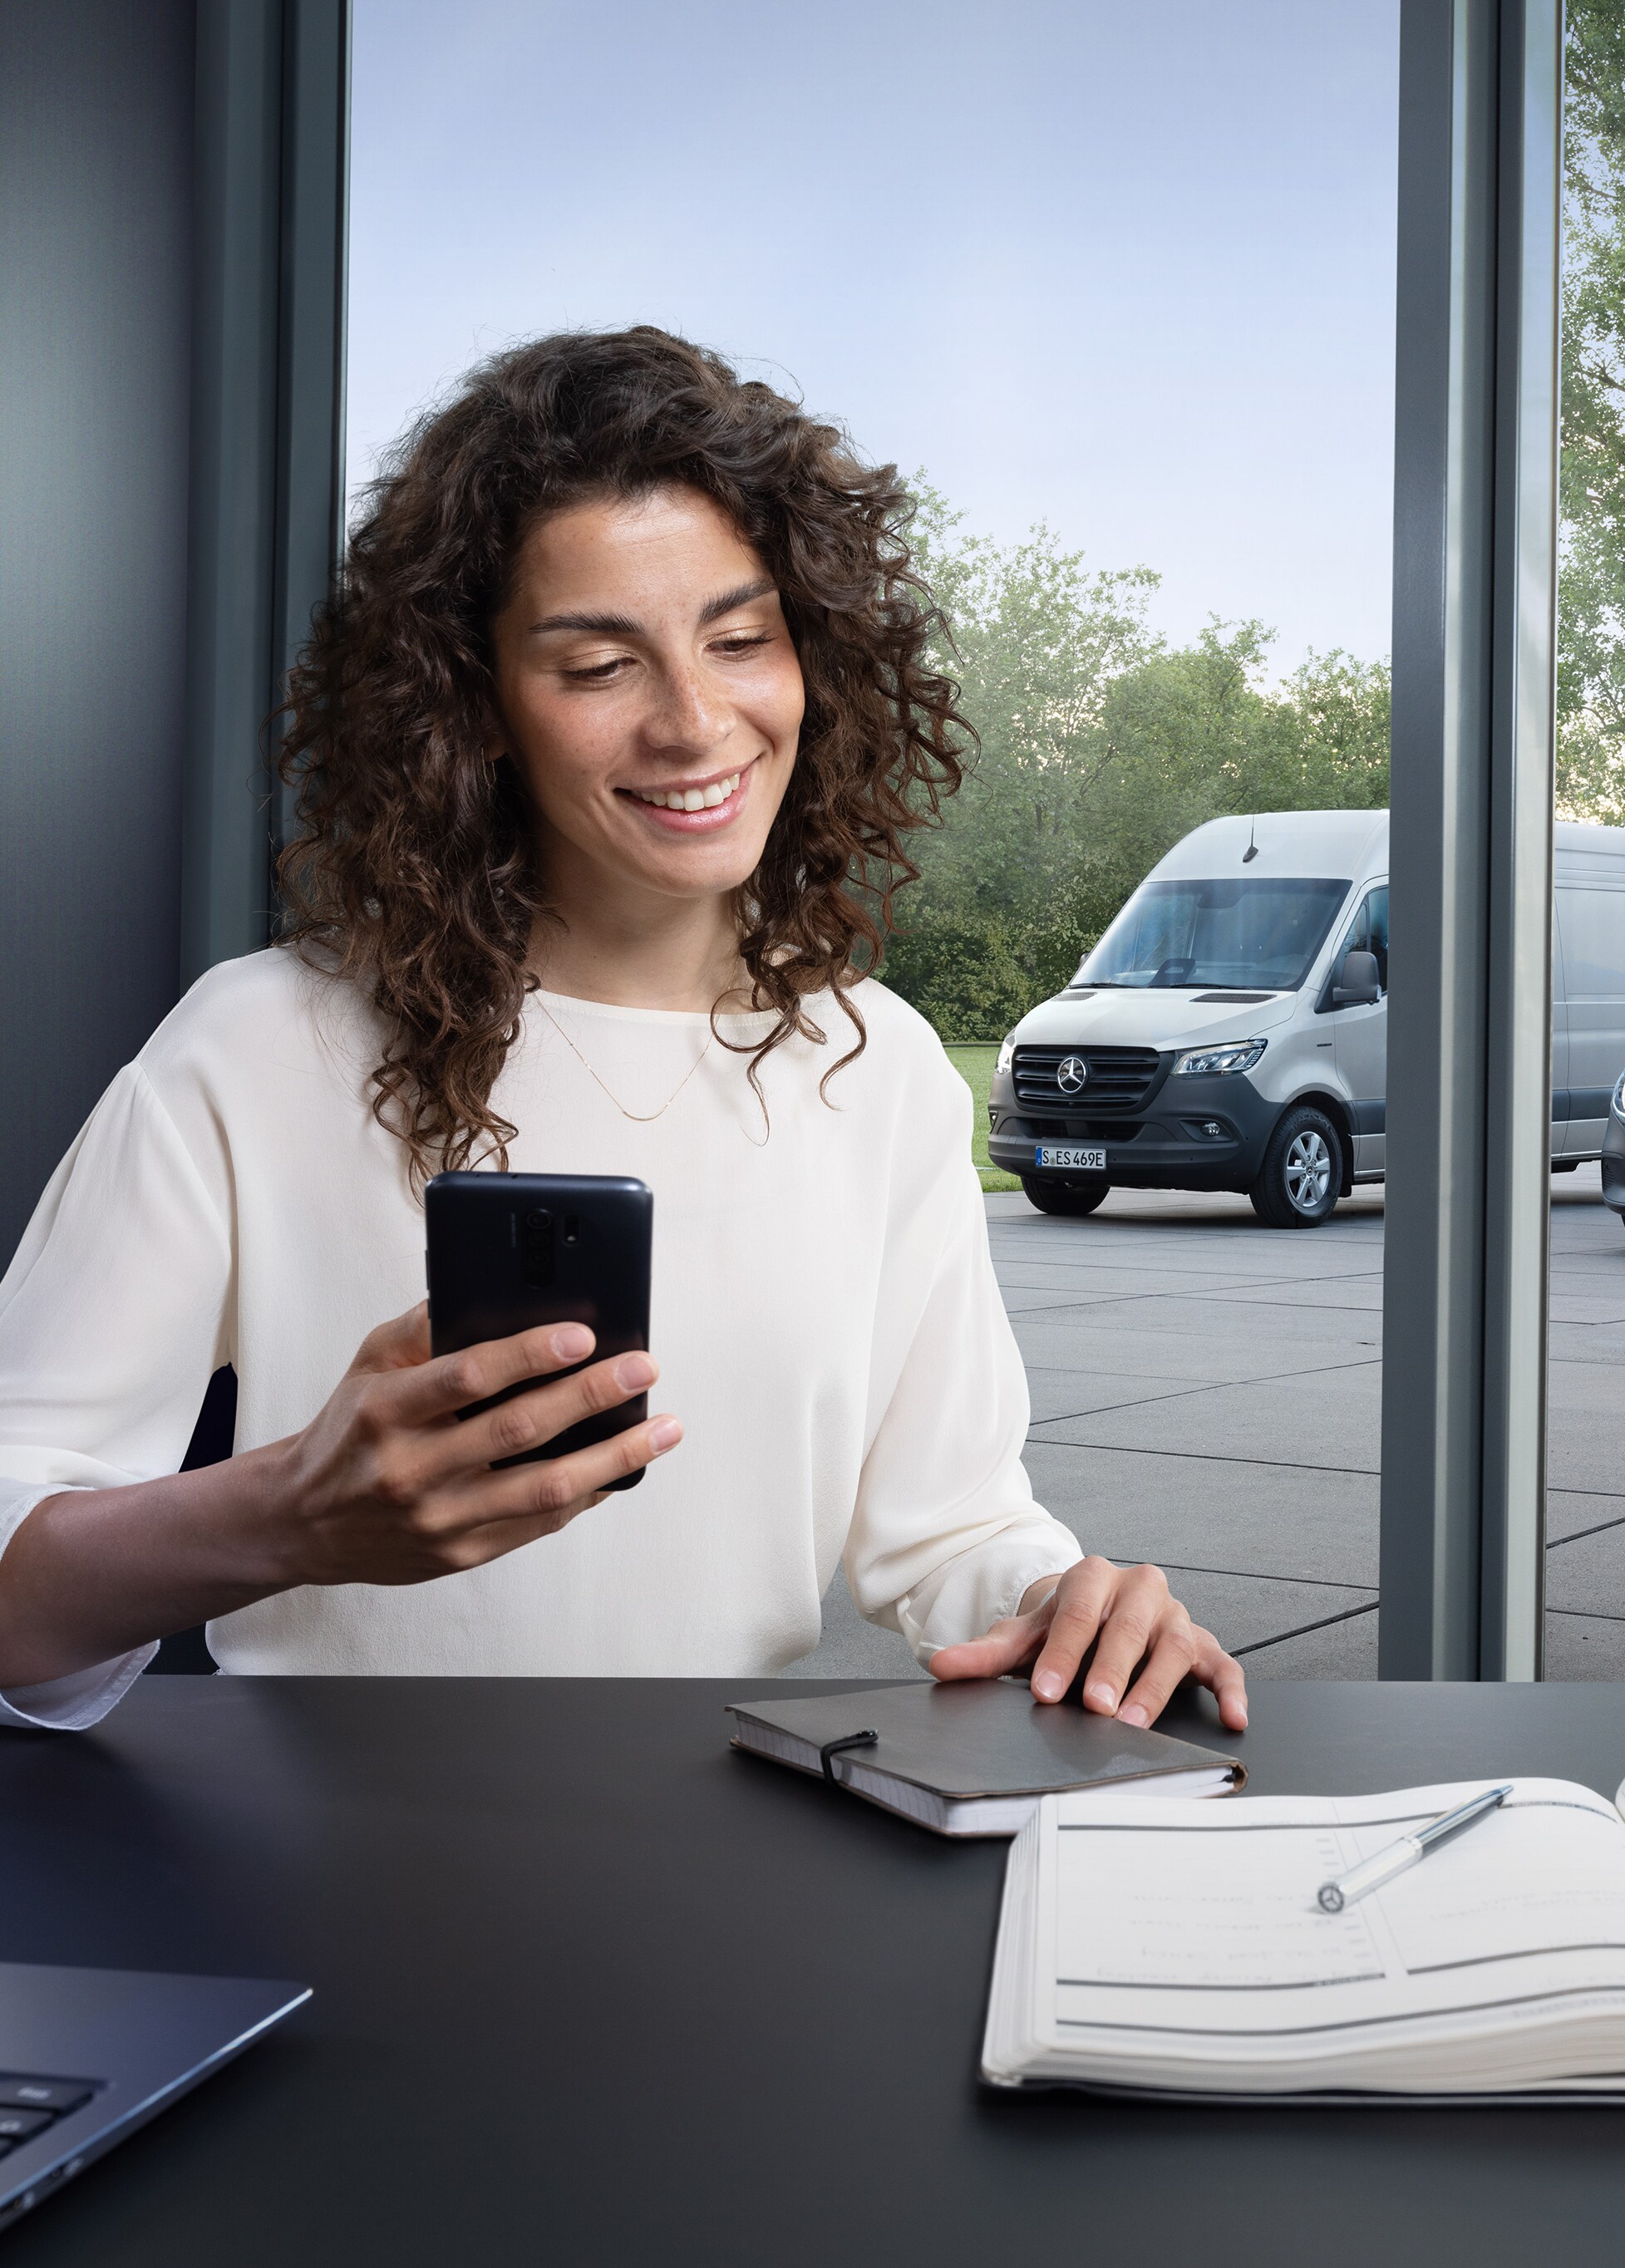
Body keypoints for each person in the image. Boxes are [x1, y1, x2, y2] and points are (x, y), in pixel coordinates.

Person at [0, 329, 1248, 1739]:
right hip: (319, 1869)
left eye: (739, 639)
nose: (697, 722)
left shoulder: (880, 1065)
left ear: (812, 655)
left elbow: (951, 1531)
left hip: (718, 1849)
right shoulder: (255, 1044)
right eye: (599, 664)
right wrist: (288, 1516)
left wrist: (1070, 1605)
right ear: (472, 707)